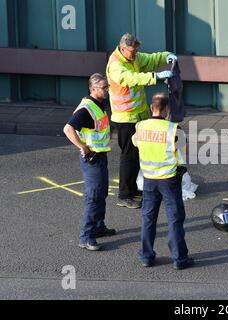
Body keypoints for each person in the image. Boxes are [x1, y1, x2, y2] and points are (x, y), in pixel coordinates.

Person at [107, 33, 177, 209]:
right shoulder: (116, 65)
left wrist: (165, 56)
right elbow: (131, 78)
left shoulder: (134, 58)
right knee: (128, 156)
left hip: (138, 115)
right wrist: (156, 77)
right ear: (123, 49)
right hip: (125, 118)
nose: (135, 53)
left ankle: (132, 190)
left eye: (136, 50)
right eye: (132, 50)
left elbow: (151, 59)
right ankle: (124, 195)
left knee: (137, 154)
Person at [132, 92, 193, 270]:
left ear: (152, 108)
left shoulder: (140, 126)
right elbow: (184, 149)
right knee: (174, 219)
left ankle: (146, 256)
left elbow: (135, 142)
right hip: (169, 179)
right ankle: (179, 259)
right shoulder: (174, 128)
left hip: (149, 179)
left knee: (148, 218)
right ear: (166, 110)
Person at [63, 73, 116, 251]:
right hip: (92, 158)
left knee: (101, 194)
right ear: (93, 89)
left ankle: (99, 227)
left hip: (100, 155)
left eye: (107, 87)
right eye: (104, 88)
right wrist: (82, 147)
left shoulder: (99, 103)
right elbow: (68, 129)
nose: (107, 90)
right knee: (93, 196)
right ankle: (86, 237)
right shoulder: (86, 109)